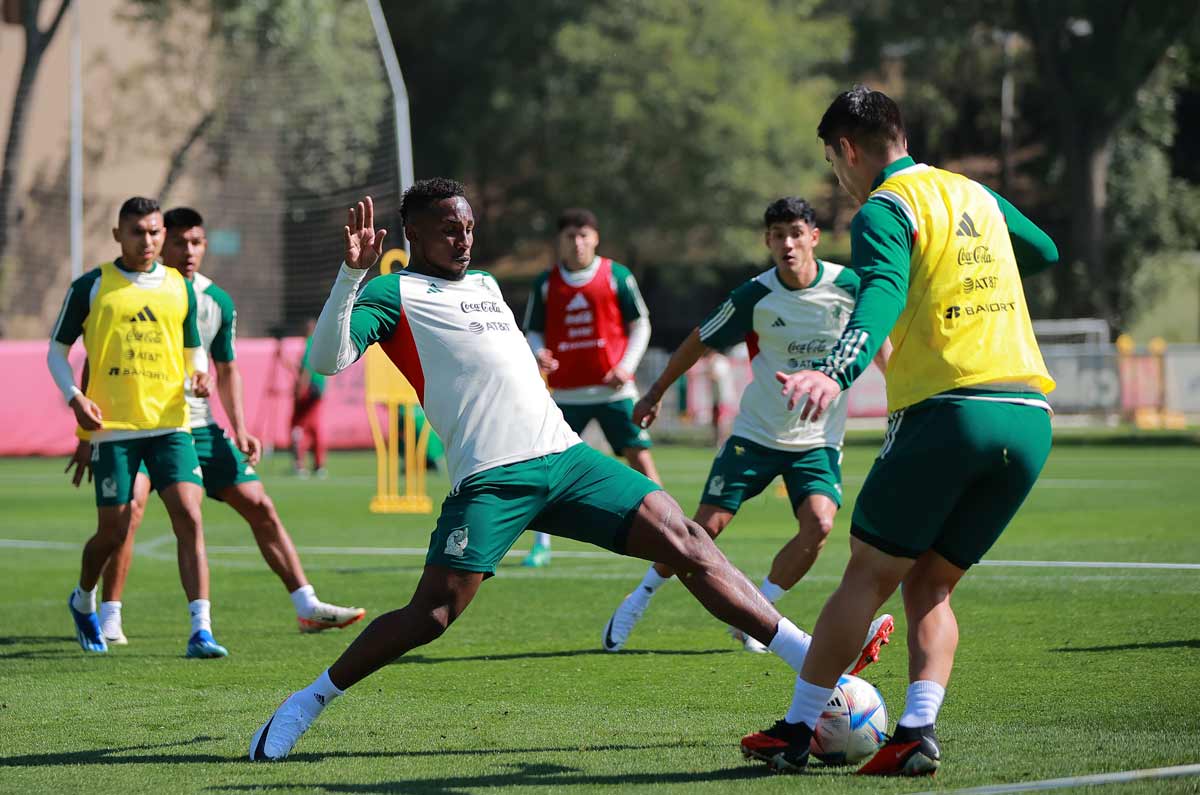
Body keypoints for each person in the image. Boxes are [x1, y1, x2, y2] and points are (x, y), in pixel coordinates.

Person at [248, 181, 893, 761]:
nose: (463, 237)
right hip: (492, 478)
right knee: (432, 616)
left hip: (565, 456)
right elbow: (326, 360)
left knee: (688, 539)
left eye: (469, 226)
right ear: (411, 233)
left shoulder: (488, 285)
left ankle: (815, 664)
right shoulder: (392, 292)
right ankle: (308, 701)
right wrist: (349, 276)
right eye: (448, 227)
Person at [739, 86, 1057, 776]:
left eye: (833, 162)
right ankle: (915, 729)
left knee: (869, 572)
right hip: (1029, 419)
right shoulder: (971, 194)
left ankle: (796, 728)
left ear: (849, 149)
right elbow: (1044, 249)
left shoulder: (885, 207)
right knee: (931, 585)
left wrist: (838, 368)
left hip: (948, 413)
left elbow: (880, 286)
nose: (838, 178)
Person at [602, 197, 892, 654]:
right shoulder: (754, 295)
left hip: (816, 440)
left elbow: (876, 340)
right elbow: (698, 340)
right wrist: (655, 392)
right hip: (756, 434)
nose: (788, 244)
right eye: (778, 236)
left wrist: (903, 393)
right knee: (704, 528)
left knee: (818, 524)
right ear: (768, 242)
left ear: (814, 237)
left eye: (796, 233)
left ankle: (759, 613)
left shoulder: (850, 286)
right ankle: (641, 596)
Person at [66, 208, 366, 644]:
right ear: (162, 242)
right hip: (144, 425)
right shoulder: (129, 291)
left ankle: (306, 604)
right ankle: (109, 613)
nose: (189, 251)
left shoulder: (216, 301)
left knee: (259, 504)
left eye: (197, 242)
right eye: (180, 243)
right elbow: (97, 361)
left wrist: (240, 428)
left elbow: (228, 369)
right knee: (126, 515)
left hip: (200, 428)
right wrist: (86, 434)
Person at [50, 196, 225, 657]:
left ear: (161, 236)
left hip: (171, 424)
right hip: (115, 429)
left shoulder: (178, 287)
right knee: (114, 531)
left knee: (189, 515)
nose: (146, 241)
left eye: (153, 232)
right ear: (117, 236)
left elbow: (193, 349)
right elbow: (57, 351)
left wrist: (200, 372)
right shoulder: (93, 286)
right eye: (136, 232)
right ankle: (83, 597)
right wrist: (76, 399)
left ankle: (201, 630)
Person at [519, 208, 660, 566]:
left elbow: (640, 324)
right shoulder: (546, 282)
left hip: (614, 393)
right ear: (560, 241)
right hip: (565, 394)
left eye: (584, 235)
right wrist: (539, 352)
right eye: (570, 236)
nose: (578, 242)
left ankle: (668, 532)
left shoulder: (617, 275)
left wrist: (625, 367)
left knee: (640, 458)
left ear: (595, 238)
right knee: (545, 467)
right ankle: (542, 545)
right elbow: (532, 329)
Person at [290, 318, 327, 478]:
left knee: (298, 427)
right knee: (315, 428)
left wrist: (299, 391)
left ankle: (300, 464)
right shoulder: (321, 343)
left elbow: (306, 370)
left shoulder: (310, 344)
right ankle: (319, 465)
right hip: (318, 391)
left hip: (308, 391)